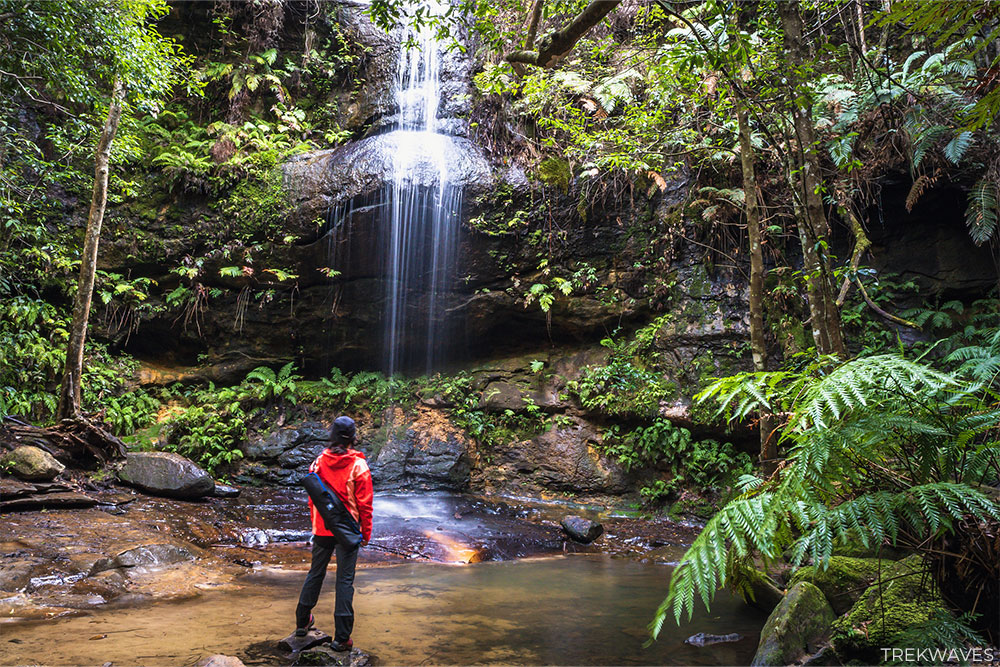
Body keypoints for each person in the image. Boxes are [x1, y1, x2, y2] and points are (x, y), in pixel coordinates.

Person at [295, 416, 373, 651]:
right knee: (345, 581)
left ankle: (302, 621)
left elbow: (313, 498)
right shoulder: (359, 466)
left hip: (322, 527)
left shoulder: (318, 462)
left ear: (332, 435)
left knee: (315, 573)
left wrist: (315, 523)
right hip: (347, 532)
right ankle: (341, 638)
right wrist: (366, 534)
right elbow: (365, 506)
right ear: (354, 437)